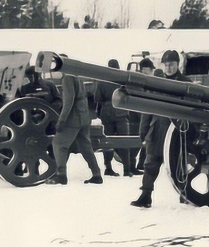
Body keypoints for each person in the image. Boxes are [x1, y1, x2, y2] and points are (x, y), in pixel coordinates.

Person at [131, 50, 192, 208]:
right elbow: (148, 109)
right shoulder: (157, 83)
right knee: (150, 164)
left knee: (179, 164)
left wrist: (190, 132)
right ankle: (145, 195)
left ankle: (184, 195)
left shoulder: (186, 83)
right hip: (157, 130)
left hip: (177, 131)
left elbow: (193, 111)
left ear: (177, 65)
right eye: (166, 65)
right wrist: (143, 131)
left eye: (171, 65)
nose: (169, 68)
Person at [46, 56, 102, 185]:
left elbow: (68, 102)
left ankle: (61, 175)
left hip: (73, 118)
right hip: (84, 117)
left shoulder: (67, 79)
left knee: (59, 144)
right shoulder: (77, 77)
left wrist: (61, 121)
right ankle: (96, 174)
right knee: (86, 147)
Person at [94, 59, 140, 177]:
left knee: (107, 142)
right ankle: (126, 169)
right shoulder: (123, 80)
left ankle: (108, 168)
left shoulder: (102, 80)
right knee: (124, 141)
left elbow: (97, 98)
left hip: (106, 112)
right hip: (121, 112)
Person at [134, 58, 156, 171]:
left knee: (146, 137)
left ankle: (141, 163)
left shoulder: (149, 80)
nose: (143, 71)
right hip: (143, 112)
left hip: (147, 113)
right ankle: (140, 163)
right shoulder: (143, 80)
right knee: (145, 137)